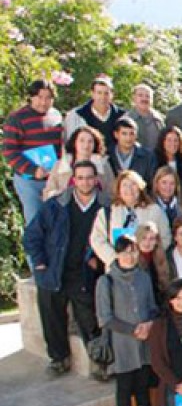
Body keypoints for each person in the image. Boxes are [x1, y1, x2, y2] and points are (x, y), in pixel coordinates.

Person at [23, 160, 107, 376]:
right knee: (51, 315)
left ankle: (98, 360)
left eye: (89, 177)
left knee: (89, 318)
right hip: (54, 269)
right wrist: (40, 263)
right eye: (80, 177)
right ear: (73, 180)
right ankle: (59, 359)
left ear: (96, 179)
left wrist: (98, 259)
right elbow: (32, 236)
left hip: (83, 273)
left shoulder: (105, 206)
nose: (85, 182)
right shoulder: (56, 205)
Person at [96, 235, 160, 406]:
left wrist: (149, 324)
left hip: (143, 344)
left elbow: (153, 306)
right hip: (122, 344)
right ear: (118, 253)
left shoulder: (143, 277)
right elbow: (105, 317)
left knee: (143, 385)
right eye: (126, 252)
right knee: (124, 388)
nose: (130, 256)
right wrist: (133, 330)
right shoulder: (106, 281)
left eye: (134, 251)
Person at [4, 79, 64, 225]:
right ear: (31, 97)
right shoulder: (17, 118)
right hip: (28, 181)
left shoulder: (56, 116)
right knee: (35, 223)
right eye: (40, 97)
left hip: (53, 180)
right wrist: (32, 170)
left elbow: (61, 147)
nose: (43, 102)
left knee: (55, 223)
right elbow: (9, 151)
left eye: (48, 98)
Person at [90, 170, 171, 268]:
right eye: (125, 185)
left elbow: (165, 237)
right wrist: (115, 259)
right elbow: (97, 240)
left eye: (133, 184)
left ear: (140, 187)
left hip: (146, 268)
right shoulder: (107, 213)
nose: (129, 189)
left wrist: (149, 252)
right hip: (117, 270)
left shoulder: (155, 211)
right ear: (119, 189)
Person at [43, 125, 116, 201]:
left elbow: (112, 192)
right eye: (82, 140)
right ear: (75, 143)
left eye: (90, 141)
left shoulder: (104, 165)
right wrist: (62, 195)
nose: (86, 145)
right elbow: (48, 192)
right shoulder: (60, 165)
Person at [64, 76, 127, 152]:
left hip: (115, 161)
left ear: (112, 95)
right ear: (92, 94)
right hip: (87, 161)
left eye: (106, 93)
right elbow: (70, 145)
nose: (103, 97)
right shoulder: (77, 115)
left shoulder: (122, 116)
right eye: (99, 93)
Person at [107, 117, 157, 183]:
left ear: (136, 135)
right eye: (124, 134)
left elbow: (151, 183)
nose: (128, 138)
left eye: (132, 133)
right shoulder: (107, 155)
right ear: (116, 135)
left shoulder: (148, 157)